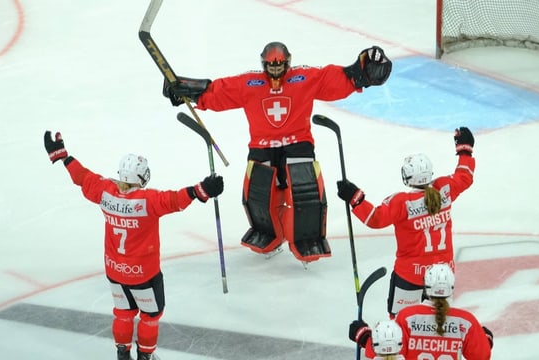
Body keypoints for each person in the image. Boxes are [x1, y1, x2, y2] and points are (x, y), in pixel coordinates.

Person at [162, 41, 392, 264]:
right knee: (257, 197)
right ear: (263, 65)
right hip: (261, 147)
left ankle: (307, 237)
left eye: (279, 65)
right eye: (271, 66)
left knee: (306, 196)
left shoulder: (304, 78)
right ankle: (268, 234)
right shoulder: (249, 82)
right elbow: (220, 92)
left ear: (288, 63)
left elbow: (334, 79)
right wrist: (190, 91)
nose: (275, 70)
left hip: (298, 144)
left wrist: (360, 72)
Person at [43, 131, 224, 360]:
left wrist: (63, 156)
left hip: (114, 270)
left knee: (123, 313)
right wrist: (203, 190)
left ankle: (123, 353)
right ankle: (145, 356)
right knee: (150, 315)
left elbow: (83, 177)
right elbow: (175, 200)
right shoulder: (147, 200)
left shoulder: (105, 192)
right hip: (143, 274)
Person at [336, 127, 475, 317]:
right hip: (442, 275)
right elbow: (464, 177)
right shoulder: (445, 189)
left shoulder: (402, 202)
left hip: (410, 274)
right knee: (436, 323)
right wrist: (465, 150)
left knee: (401, 323)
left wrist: (355, 197)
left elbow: (375, 219)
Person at [395, 263, 493, 360]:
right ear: (451, 288)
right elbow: (481, 356)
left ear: (425, 286)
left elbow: (393, 355)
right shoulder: (466, 321)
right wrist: (486, 338)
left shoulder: (407, 317)